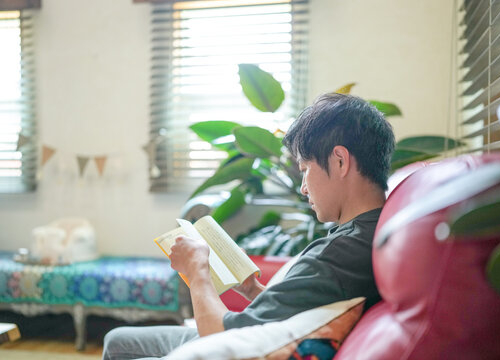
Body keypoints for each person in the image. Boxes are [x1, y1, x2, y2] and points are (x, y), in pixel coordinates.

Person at [102, 93, 395, 360]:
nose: (304, 188)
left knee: (118, 344)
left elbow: (222, 336)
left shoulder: (340, 254)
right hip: (262, 330)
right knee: (119, 340)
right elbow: (299, 308)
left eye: (305, 170)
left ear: (340, 161)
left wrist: (197, 270)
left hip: (236, 336)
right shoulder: (366, 235)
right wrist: (253, 289)